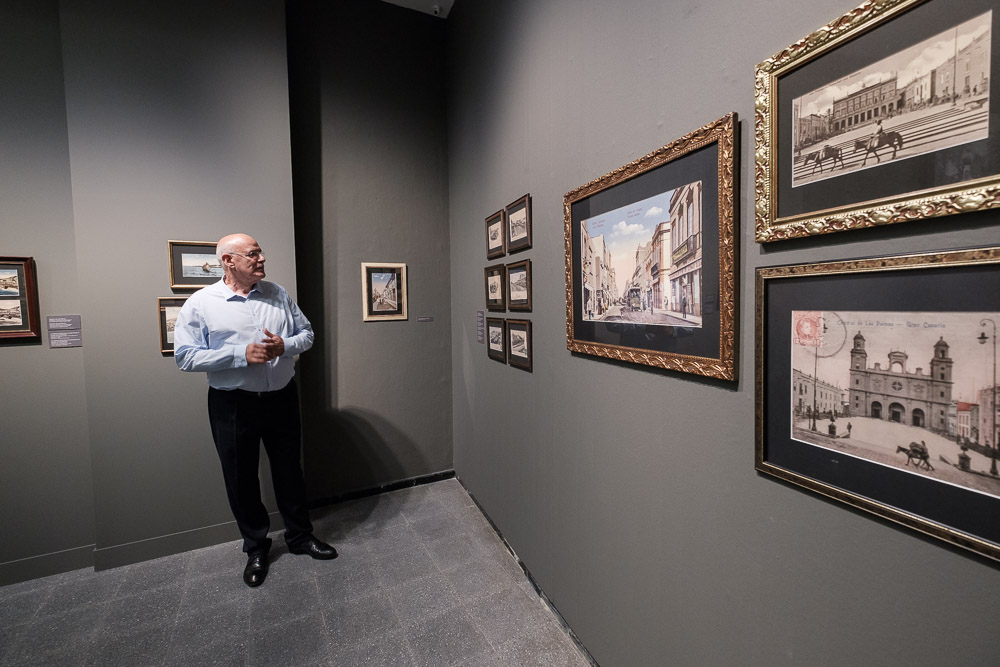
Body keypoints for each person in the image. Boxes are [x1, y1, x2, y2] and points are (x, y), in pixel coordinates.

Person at [174, 233, 336, 588]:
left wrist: (285, 345)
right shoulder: (202, 304)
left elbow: (307, 334)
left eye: (261, 252)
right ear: (228, 261)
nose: (261, 258)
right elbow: (185, 357)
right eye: (253, 254)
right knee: (240, 477)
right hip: (232, 403)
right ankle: (256, 548)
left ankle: (299, 537)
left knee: (289, 470)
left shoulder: (278, 294)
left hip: (281, 396)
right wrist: (239, 355)